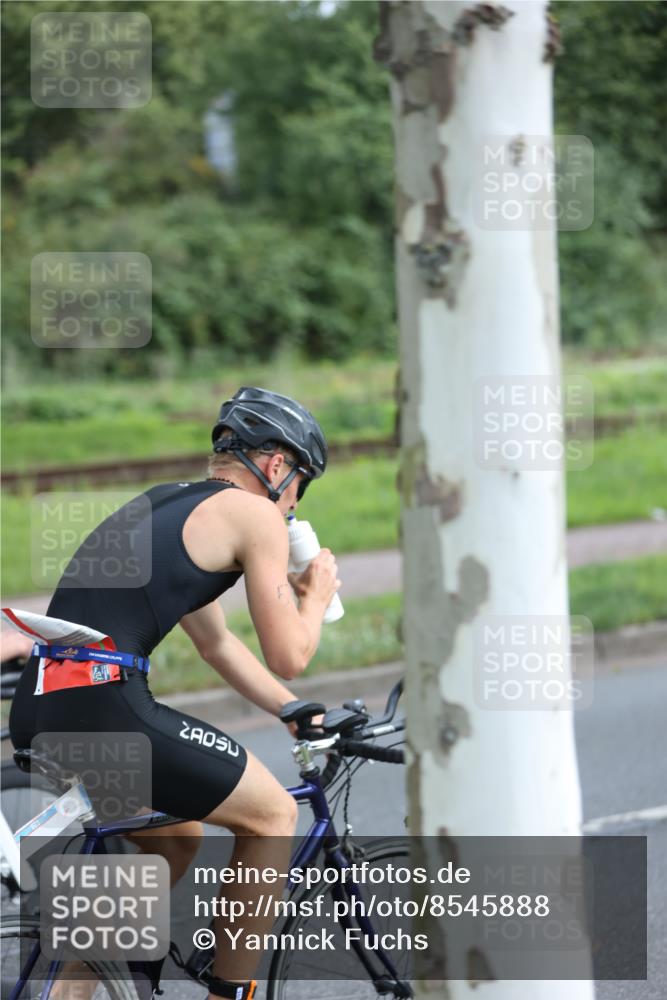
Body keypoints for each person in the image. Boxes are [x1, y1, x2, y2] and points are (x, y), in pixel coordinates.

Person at [9, 386, 341, 1000]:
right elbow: (291, 653)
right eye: (301, 484)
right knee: (272, 814)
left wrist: (287, 710)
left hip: (45, 700)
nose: (294, 504)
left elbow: (217, 645)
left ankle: (71, 989)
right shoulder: (257, 514)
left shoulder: (165, 505)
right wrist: (314, 597)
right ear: (276, 466)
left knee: (175, 836)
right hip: (102, 702)